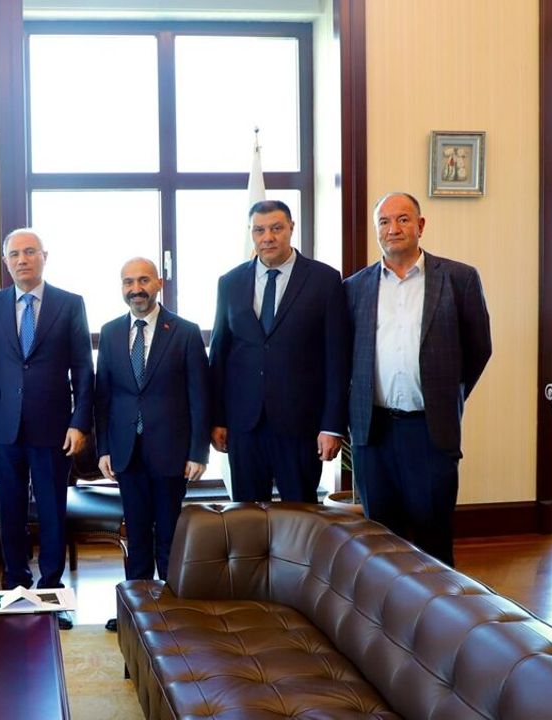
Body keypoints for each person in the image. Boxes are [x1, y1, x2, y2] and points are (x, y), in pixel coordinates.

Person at [345, 192, 492, 567]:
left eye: (403, 219)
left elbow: (479, 349)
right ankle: (384, 605)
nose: (393, 229)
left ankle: (438, 608)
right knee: (381, 543)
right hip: (374, 434)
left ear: (420, 225)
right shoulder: (354, 288)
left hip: (430, 431)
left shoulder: (458, 279)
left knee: (433, 540)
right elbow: (346, 358)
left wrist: (447, 395)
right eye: (384, 222)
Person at [0, 228, 93, 622]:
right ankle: (15, 584)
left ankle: (52, 589)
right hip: (3, 428)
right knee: (10, 510)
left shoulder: (69, 304)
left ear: (44, 256)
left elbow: (83, 369)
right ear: (5, 262)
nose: (22, 260)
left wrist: (79, 422)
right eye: (14, 254)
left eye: (29, 252)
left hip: (53, 427)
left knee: (53, 510)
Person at [209, 200, 350, 503]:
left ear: (291, 228)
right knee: (246, 515)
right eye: (259, 230)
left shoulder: (324, 280)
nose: (268, 237)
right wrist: (217, 418)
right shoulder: (230, 282)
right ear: (251, 233)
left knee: (300, 516)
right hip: (244, 425)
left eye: (276, 228)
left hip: (300, 424)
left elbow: (337, 359)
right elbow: (219, 355)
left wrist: (332, 426)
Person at [94, 257, 208, 606]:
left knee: (170, 534)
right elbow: (103, 397)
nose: (136, 289)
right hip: (126, 451)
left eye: (143, 280)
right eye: (128, 282)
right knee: (137, 533)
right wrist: (104, 448)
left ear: (159, 283)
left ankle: (172, 609)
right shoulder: (110, 332)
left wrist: (198, 452)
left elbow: (199, 396)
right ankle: (138, 609)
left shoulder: (185, 332)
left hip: (171, 451)